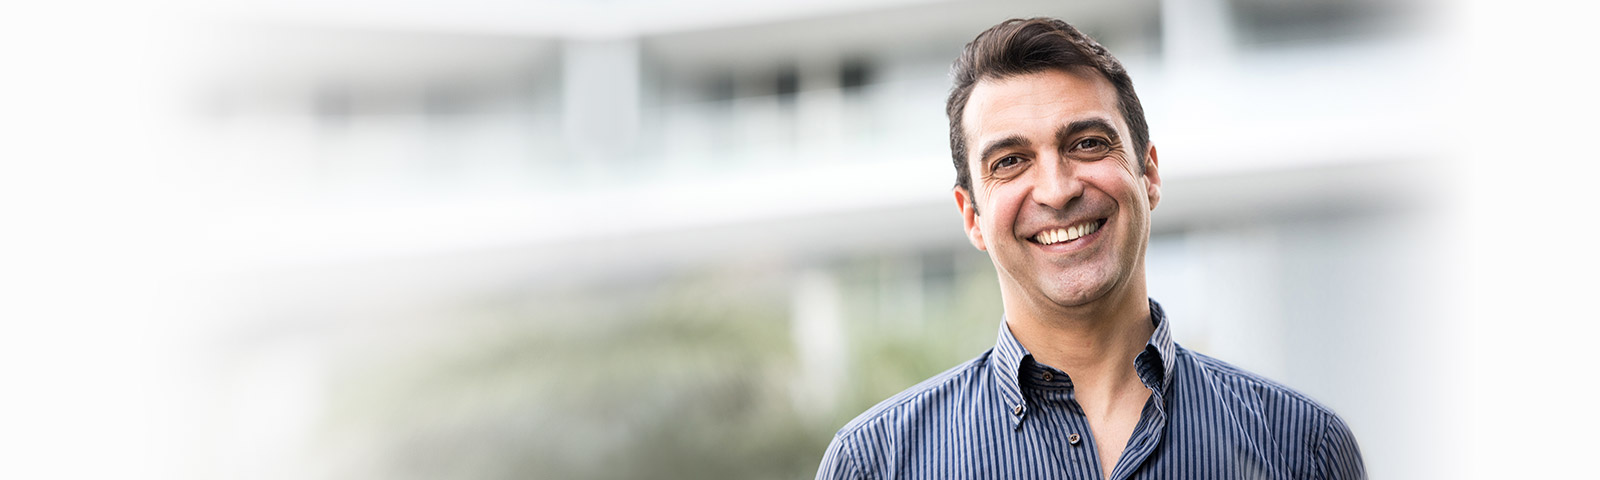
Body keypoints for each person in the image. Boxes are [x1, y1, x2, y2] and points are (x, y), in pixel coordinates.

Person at [815, 17, 1365, 480]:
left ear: (1148, 173)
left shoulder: (1302, 449)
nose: (1057, 190)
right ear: (971, 216)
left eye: (1087, 144)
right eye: (1010, 161)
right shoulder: (878, 462)